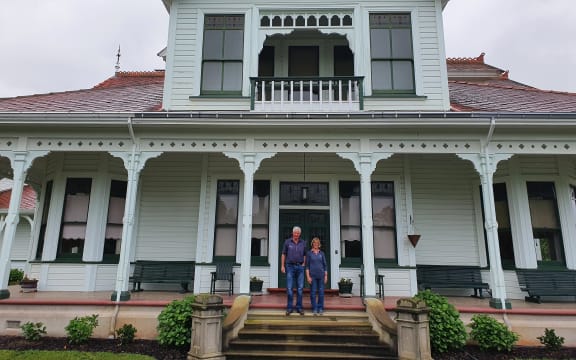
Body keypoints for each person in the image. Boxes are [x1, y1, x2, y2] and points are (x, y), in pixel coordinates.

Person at [281, 226, 306, 316]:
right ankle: (289, 308)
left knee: (300, 289)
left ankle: (299, 308)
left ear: (300, 234)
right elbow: (283, 254)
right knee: (289, 288)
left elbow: (305, 254)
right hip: (290, 267)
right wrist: (282, 266)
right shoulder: (287, 242)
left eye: (298, 233)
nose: (296, 234)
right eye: (295, 233)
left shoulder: (303, 242)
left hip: (300, 267)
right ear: (292, 233)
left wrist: (304, 263)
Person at [305, 237, 328, 315]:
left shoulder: (322, 253)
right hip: (312, 276)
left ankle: (320, 308)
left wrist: (326, 276)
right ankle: (314, 308)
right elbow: (307, 266)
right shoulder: (309, 253)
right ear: (312, 244)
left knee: (321, 293)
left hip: (321, 276)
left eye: (317, 243)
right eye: (314, 243)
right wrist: (308, 276)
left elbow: (325, 266)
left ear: (319, 244)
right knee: (313, 292)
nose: (316, 244)